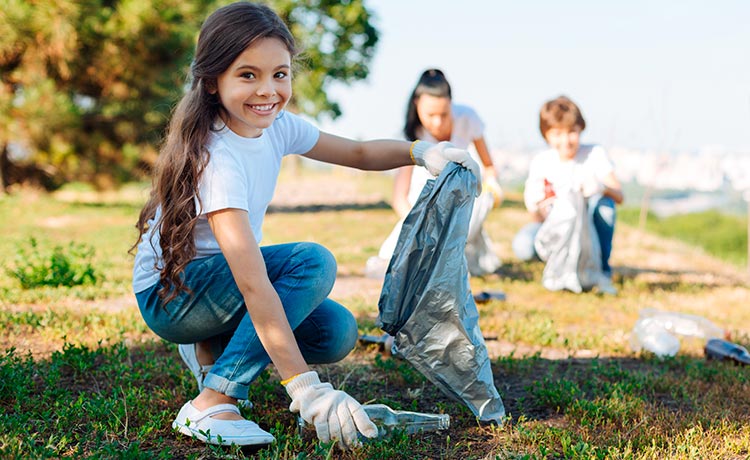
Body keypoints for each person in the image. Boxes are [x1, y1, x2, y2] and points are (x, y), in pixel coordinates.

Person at [130, 2, 480, 450]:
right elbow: (254, 283)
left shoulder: (276, 127)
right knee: (311, 263)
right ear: (213, 81)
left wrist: (420, 152)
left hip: (215, 289)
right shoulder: (217, 158)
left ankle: (213, 348)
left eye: (280, 74)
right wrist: (305, 388)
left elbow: (356, 154)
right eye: (247, 74)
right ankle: (213, 398)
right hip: (172, 298)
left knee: (336, 331)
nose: (268, 90)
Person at [368, 69, 503, 278]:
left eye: (444, 114)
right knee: (391, 259)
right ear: (416, 104)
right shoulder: (411, 136)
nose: (438, 122)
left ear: (451, 104)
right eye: (431, 115)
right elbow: (399, 197)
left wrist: (492, 187)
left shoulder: (467, 117)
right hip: (424, 210)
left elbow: (488, 167)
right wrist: (422, 225)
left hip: (461, 206)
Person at [511, 95, 623, 294]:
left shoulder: (594, 154)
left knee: (605, 206)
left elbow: (619, 195)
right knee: (523, 246)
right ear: (546, 135)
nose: (566, 141)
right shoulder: (542, 162)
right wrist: (536, 205)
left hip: (589, 230)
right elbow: (536, 218)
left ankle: (601, 269)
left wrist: (600, 187)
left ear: (581, 129)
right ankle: (558, 264)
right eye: (557, 134)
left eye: (572, 132)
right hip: (555, 230)